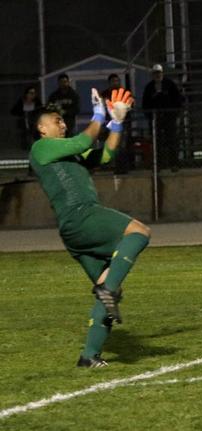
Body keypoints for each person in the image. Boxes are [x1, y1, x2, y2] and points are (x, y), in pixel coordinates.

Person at [29, 88, 151, 368]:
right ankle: (107, 289)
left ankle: (89, 356)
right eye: (55, 120)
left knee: (107, 291)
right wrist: (99, 114)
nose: (61, 123)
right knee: (140, 232)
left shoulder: (71, 153)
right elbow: (86, 137)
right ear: (41, 129)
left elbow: (106, 154)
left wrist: (117, 122)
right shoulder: (41, 148)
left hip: (74, 231)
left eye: (62, 120)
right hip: (82, 216)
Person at [142, 64, 183, 171]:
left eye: (159, 73)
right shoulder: (149, 87)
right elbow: (145, 103)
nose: (157, 75)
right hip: (156, 118)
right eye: (155, 73)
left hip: (169, 117)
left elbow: (178, 99)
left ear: (162, 73)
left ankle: (173, 164)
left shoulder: (170, 84)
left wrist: (174, 114)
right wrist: (150, 116)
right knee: (157, 142)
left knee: (171, 140)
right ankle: (158, 165)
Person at [9, 86, 42, 150]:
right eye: (31, 93)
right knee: (24, 136)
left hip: (34, 122)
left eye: (34, 93)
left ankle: (35, 148)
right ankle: (24, 149)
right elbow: (13, 111)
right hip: (24, 122)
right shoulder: (21, 101)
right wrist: (22, 113)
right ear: (26, 94)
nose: (33, 95)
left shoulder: (37, 101)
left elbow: (40, 111)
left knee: (34, 136)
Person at [48, 73, 80, 137]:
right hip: (57, 122)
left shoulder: (74, 95)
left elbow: (77, 109)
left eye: (65, 82)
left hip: (69, 123)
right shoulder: (54, 96)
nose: (63, 84)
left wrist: (66, 112)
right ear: (58, 83)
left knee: (69, 139)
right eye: (61, 82)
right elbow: (49, 107)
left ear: (68, 82)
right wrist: (57, 111)